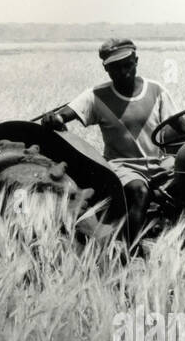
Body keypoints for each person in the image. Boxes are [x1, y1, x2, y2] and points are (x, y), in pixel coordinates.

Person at [39, 38, 177, 241]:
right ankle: (130, 251)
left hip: (159, 163)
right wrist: (56, 117)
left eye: (127, 65)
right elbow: (67, 113)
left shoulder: (157, 91)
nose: (123, 72)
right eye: (115, 68)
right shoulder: (96, 96)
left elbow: (181, 126)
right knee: (140, 192)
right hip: (123, 166)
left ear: (136, 61)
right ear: (106, 69)